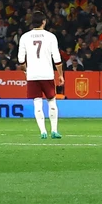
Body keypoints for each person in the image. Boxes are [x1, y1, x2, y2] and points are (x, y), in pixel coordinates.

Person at [16, 12, 64, 140]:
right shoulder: (50, 36)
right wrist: (60, 75)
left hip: (32, 75)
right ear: (44, 21)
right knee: (52, 101)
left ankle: (43, 131)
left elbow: (21, 59)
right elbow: (57, 58)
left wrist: (27, 71)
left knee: (37, 103)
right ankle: (54, 130)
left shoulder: (25, 37)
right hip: (47, 73)